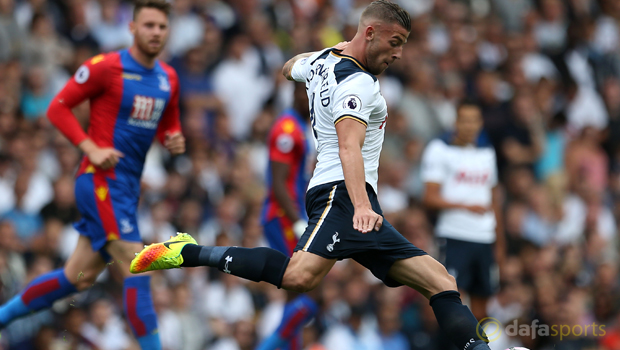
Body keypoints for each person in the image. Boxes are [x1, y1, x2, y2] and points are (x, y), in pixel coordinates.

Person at [131, 2, 492, 349]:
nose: (398, 54)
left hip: (350, 196)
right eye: (394, 42)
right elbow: (349, 146)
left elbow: (289, 66)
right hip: (345, 195)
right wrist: (362, 207)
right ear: (369, 32)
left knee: (440, 281)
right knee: (297, 277)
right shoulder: (360, 84)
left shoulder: (320, 61)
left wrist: (325, 53)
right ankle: (188, 251)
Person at [0, 1, 185, 349]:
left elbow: (168, 125)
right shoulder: (106, 67)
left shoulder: (168, 78)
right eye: (148, 25)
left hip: (127, 191)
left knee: (76, 278)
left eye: (161, 26)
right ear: (132, 28)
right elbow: (58, 108)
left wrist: (171, 138)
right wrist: (90, 148)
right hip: (98, 182)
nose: (155, 32)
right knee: (138, 264)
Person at [421, 100, 505, 322]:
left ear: (480, 123)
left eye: (474, 120)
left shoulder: (487, 152)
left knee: (483, 302)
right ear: (456, 122)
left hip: (485, 237)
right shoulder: (439, 150)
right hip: (454, 234)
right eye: (464, 120)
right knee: (451, 300)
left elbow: (494, 198)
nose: (469, 126)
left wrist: (500, 240)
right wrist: (466, 207)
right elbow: (429, 197)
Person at [256, 82, 318, 350]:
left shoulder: (301, 127)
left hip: (290, 214)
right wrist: (297, 221)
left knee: (296, 293)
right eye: (309, 95)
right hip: (281, 215)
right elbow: (278, 184)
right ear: (295, 94)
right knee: (308, 288)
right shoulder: (287, 129)